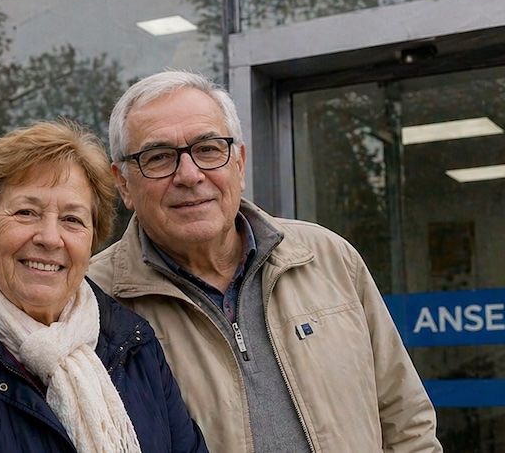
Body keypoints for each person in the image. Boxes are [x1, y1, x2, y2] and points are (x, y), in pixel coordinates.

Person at [87, 70, 441, 452]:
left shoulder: (327, 257)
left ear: (239, 162)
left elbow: (406, 421)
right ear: (123, 183)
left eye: (208, 149)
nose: (189, 175)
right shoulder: (92, 301)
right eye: (158, 158)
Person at [0, 120, 208, 453]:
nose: (51, 238)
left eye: (72, 220)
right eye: (26, 212)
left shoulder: (134, 343)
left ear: (93, 240)